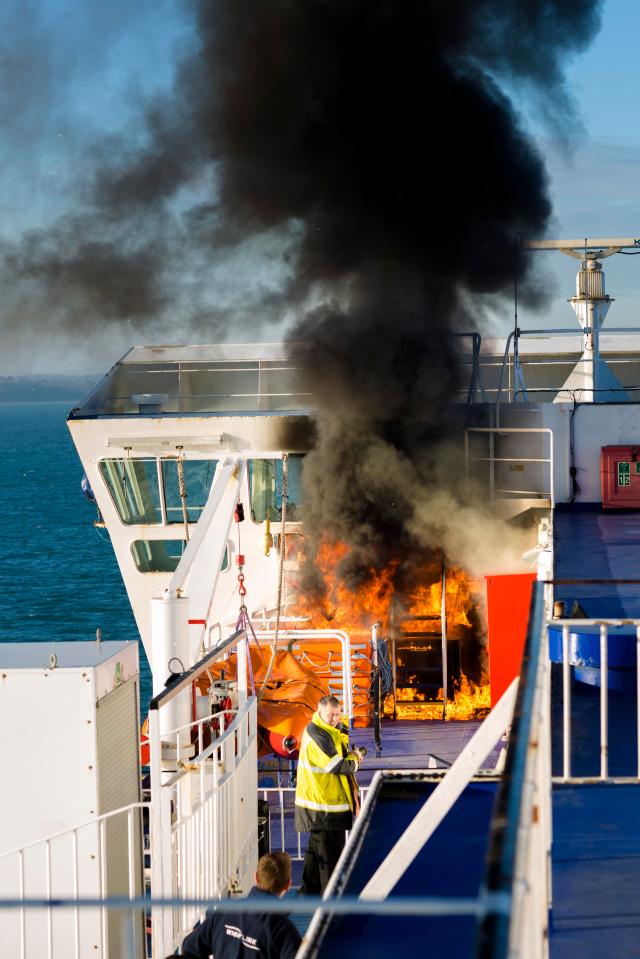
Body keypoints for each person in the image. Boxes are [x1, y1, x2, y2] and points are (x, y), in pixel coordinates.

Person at [295, 694, 365, 894]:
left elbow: (340, 754)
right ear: (319, 712)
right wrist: (357, 760)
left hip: (321, 805)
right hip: (323, 807)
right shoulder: (318, 734)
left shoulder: (329, 730)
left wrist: (348, 749)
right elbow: (337, 765)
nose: (335, 719)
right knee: (330, 857)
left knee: (315, 852)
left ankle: (308, 891)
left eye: (337, 714)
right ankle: (331, 898)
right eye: (330, 715)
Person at [179, 851, 301, 958]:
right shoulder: (284, 931)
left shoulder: (224, 912)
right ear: (288, 884)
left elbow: (190, 947)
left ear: (256, 877)